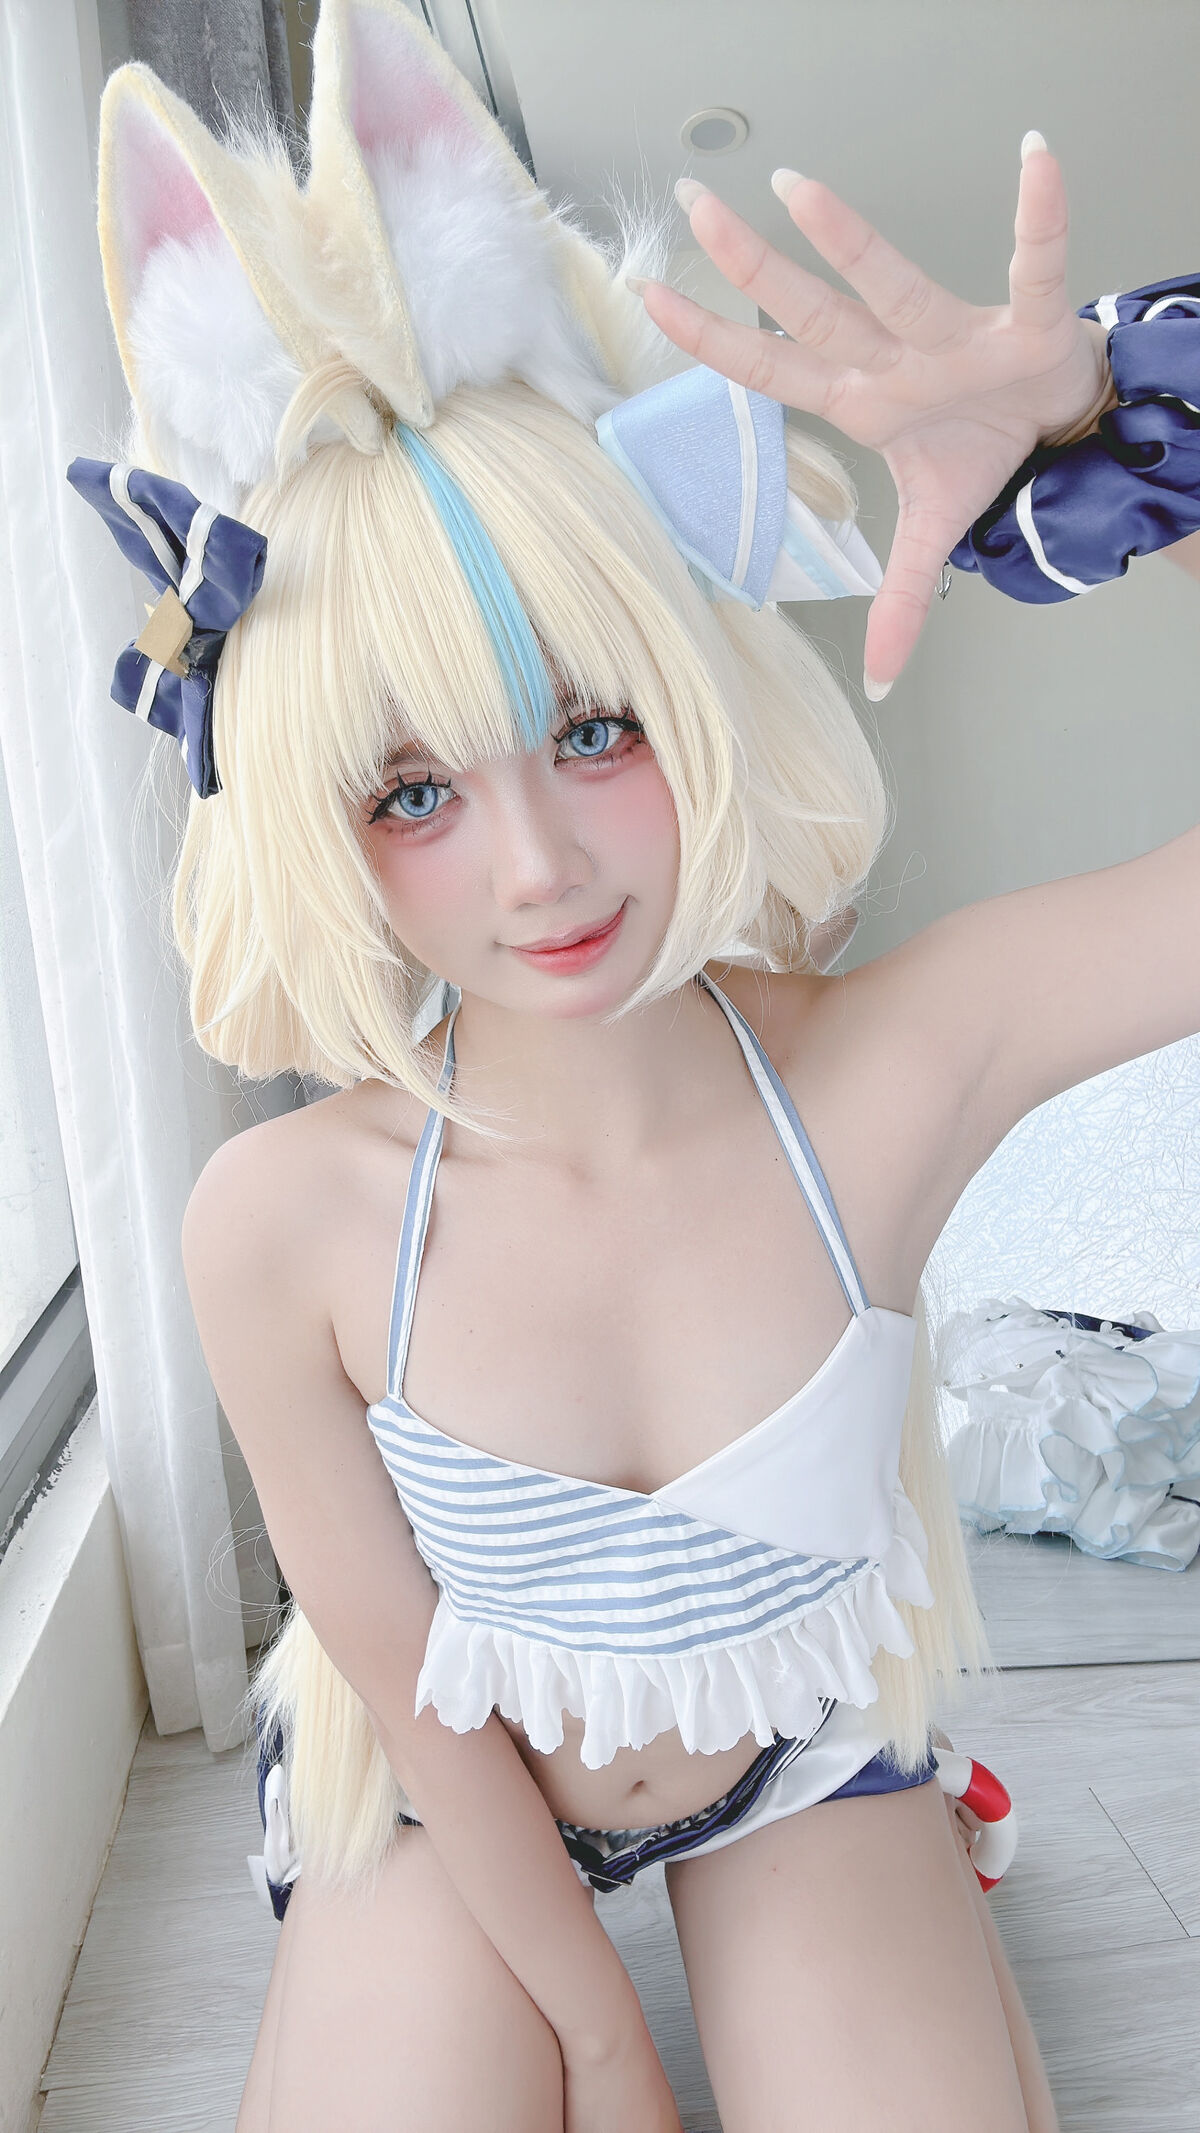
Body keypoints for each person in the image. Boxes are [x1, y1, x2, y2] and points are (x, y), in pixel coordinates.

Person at [68, 5, 1200, 2127]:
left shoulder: (888, 1069)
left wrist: (1106, 433)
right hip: (448, 1791)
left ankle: (922, 1841)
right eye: (413, 792)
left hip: (801, 1751)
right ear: (315, 823)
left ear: (691, 690)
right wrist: (601, 2036)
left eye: (593, 731)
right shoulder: (282, 1221)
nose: (538, 869)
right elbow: (407, 1672)